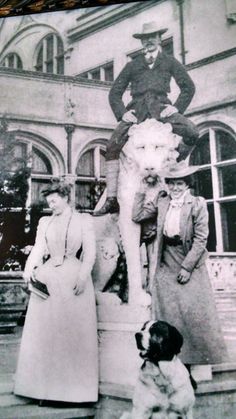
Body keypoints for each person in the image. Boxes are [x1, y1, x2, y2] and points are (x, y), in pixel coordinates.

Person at [94, 21, 199, 216]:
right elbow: (114, 93)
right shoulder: (133, 65)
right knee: (112, 146)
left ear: (159, 39)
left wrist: (175, 108)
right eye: (144, 39)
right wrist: (122, 113)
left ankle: (174, 166)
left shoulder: (169, 61)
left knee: (193, 132)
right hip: (137, 111)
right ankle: (111, 199)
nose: (148, 41)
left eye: (152, 37)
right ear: (141, 43)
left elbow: (188, 87)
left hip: (161, 108)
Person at [132, 161, 228, 367]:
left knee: (194, 311)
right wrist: (141, 190)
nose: (175, 188)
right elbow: (137, 216)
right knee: (168, 310)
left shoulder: (197, 204)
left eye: (180, 184)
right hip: (166, 259)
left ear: (188, 185)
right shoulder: (162, 200)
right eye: (172, 183)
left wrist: (187, 267)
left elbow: (201, 239)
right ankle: (172, 358)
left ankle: (200, 360)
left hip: (189, 261)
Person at [14, 180, 98, 404]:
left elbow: (90, 253)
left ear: (65, 198)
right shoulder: (44, 222)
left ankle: (72, 393)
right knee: (46, 334)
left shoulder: (83, 220)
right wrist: (28, 269)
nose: (51, 204)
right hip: (49, 277)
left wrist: (82, 276)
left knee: (70, 335)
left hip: (74, 277)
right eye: (48, 200)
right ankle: (42, 391)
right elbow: (39, 248)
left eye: (54, 200)